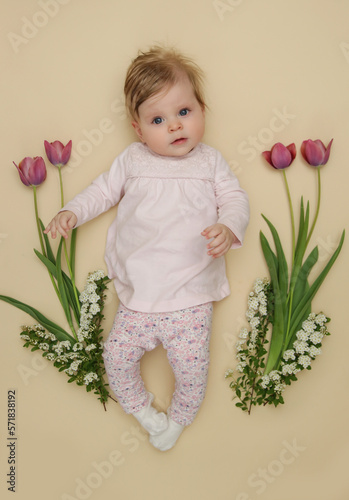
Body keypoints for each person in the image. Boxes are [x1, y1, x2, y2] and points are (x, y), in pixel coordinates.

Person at [44, 46, 250, 451]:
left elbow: (236, 199)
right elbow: (102, 191)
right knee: (116, 359)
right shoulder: (133, 160)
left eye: (184, 112)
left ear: (201, 108)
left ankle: (178, 420)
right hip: (139, 295)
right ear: (138, 129)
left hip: (189, 296)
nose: (174, 126)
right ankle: (141, 410)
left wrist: (229, 225)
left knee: (192, 370)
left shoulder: (210, 162)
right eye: (158, 119)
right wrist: (72, 211)